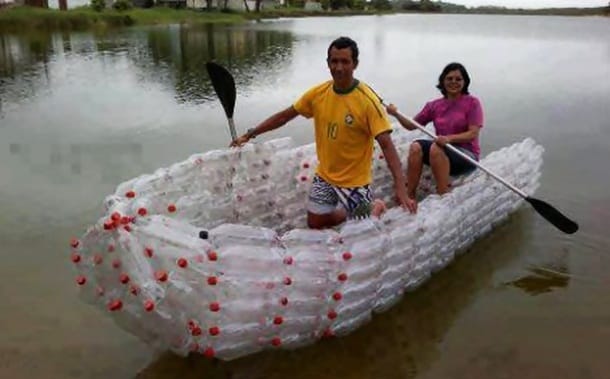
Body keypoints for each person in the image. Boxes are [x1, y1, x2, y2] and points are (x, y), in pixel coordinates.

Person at [230, 36, 411, 229]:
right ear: (328, 63)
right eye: (334, 61)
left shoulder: (367, 101)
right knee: (315, 223)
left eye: (345, 62)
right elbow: (284, 116)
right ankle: (351, 212)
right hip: (325, 175)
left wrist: (401, 189)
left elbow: (387, 146)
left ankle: (374, 206)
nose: (339, 68)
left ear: (355, 64)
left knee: (362, 232)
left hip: (355, 181)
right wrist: (251, 134)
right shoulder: (318, 94)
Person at [386, 62, 484, 212]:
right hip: (442, 149)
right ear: (443, 81)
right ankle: (410, 195)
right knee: (416, 146)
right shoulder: (434, 105)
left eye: (458, 79)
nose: (454, 82)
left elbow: (473, 133)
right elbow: (412, 125)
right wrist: (396, 113)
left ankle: (442, 195)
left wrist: (449, 139)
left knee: (436, 148)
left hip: (466, 155)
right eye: (449, 78)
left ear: (465, 82)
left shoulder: (472, 103)